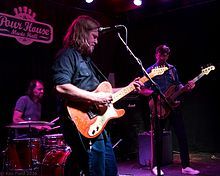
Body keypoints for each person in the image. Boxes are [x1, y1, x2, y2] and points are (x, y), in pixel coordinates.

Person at [51, 15, 143, 176]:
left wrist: (129, 87)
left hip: (98, 124)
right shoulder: (67, 55)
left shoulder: (87, 61)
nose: (96, 41)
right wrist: (95, 98)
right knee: (96, 171)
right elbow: (61, 87)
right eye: (93, 36)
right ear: (82, 33)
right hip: (81, 122)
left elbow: (104, 93)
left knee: (110, 171)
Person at [139, 44, 200, 175]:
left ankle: (185, 166)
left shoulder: (172, 69)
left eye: (166, 54)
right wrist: (156, 96)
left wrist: (186, 87)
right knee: (158, 138)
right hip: (159, 107)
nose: (163, 57)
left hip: (173, 106)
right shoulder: (150, 70)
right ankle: (156, 166)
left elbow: (177, 85)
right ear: (156, 54)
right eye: (161, 54)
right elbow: (142, 89)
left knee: (182, 135)